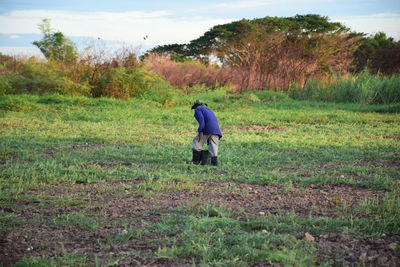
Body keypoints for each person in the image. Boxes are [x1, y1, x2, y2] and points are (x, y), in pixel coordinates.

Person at [188, 100, 222, 166]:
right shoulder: (210, 111)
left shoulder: (198, 110)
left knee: (197, 142)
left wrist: (200, 131)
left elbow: (202, 122)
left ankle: (195, 161)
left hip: (207, 129)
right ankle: (214, 163)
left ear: (196, 106)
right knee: (213, 145)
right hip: (216, 130)